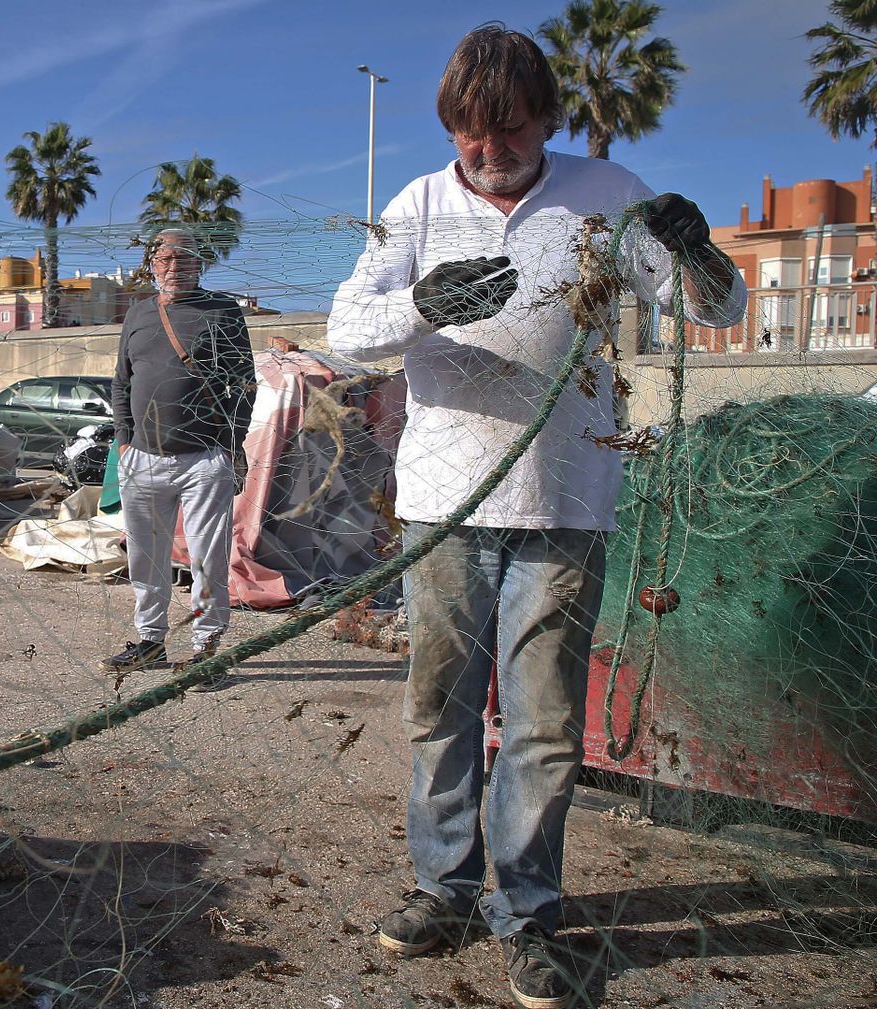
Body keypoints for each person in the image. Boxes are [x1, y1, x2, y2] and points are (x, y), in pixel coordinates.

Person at [326, 23, 744, 1009]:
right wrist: (423, 303)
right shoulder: (418, 205)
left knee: (545, 720)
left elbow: (711, 310)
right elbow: (344, 333)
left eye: (507, 128)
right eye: (469, 133)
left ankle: (528, 913)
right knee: (440, 706)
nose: (487, 150)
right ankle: (443, 887)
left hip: (566, 495)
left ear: (547, 118)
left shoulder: (608, 194)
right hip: (444, 500)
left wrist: (697, 252)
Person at [104, 227, 255, 689]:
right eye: (165, 258)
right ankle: (149, 641)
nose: (174, 267)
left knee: (208, 558)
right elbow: (121, 382)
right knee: (145, 558)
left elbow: (244, 383)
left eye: (183, 259)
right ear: (152, 264)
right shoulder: (138, 313)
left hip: (204, 459)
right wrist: (125, 440)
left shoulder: (223, 310)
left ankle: (206, 649)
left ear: (199, 264)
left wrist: (232, 445)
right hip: (141, 459)